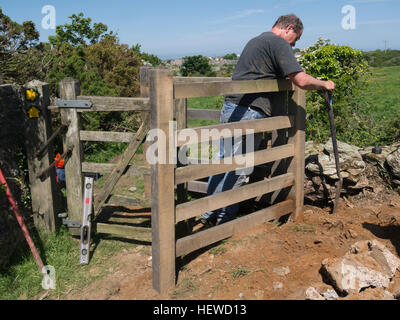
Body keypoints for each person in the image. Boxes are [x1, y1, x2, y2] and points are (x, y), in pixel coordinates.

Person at [200, 13, 335, 227]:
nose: (294, 43)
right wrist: (323, 84)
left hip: (231, 107)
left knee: (223, 162)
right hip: (250, 111)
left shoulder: (256, 40)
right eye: (296, 38)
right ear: (289, 28)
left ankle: (207, 214)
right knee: (239, 167)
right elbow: (300, 79)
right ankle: (223, 221)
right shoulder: (278, 43)